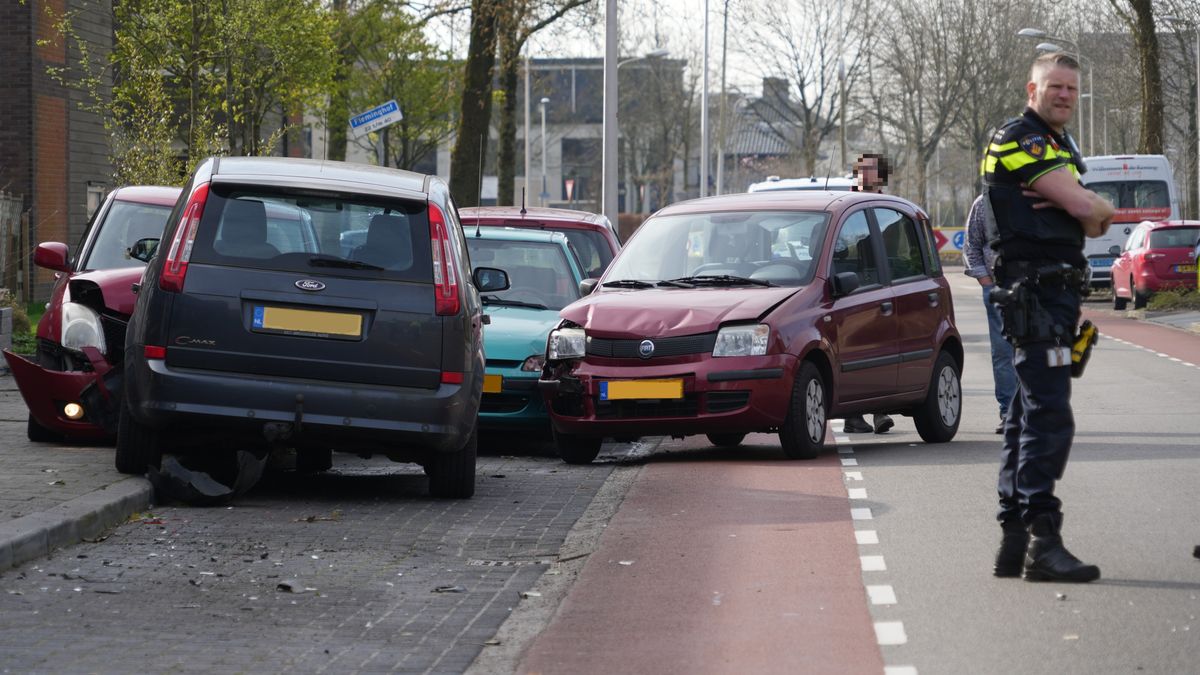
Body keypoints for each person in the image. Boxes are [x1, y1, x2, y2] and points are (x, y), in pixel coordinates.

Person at [983, 52, 1114, 583]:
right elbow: (1089, 213)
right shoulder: (1021, 138)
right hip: (1036, 294)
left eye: (1071, 89)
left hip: (1052, 295)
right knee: (1048, 413)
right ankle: (1043, 539)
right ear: (1031, 89)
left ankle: (1015, 540)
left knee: (1024, 411)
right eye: (1054, 86)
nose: (1064, 95)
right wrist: (1081, 204)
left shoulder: (1058, 145)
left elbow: (1092, 217)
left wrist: (1081, 204)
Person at [843, 153, 895, 435]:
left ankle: (880, 412)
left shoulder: (888, 207)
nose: (865, 174)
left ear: (882, 175)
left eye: (871, 169)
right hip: (851, 286)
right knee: (855, 348)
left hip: (883, 284)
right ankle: (853, 415)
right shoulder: (846, 205)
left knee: (882, 348)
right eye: (861, 169)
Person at [963, 194, 1017, 434]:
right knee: (1003, 353)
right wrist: (986, 282)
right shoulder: (983, 203)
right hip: (997, 288)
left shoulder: (1036, 196)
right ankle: (1009, 412)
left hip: (1034, 288)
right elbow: (971, 245)